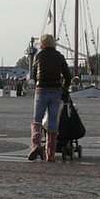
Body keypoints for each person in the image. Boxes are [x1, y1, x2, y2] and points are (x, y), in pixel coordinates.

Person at [29, 33, 71, 162]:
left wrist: (38, 84)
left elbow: (34, 74)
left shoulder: (38, 56)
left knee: (37, 120)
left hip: (41, 90)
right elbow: (67, 75)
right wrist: (64, 88)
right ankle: (50, 153)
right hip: (55, 91)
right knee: (53, 121)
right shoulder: (59, 57)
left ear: (42, 44)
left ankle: (36, 145)